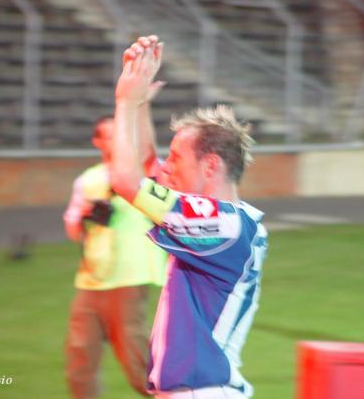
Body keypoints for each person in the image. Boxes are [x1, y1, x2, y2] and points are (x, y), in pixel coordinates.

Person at [110, 35, 268, 399]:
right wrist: (140, 104)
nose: (167, 167)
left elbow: (129, 181)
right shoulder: (228, 222)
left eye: (176, 158)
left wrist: (125, 102)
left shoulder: (222, 224)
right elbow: (149, 172)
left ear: (210, 165)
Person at [63, 114, 168, 399]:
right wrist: (84, 216)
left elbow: (165, 205)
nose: (116, 141)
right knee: (79, 359)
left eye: (119, 134)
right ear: (97, 142)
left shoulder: (143, 172)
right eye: (109, 136)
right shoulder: (88, 179)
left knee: (138, 364)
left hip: (130, 278)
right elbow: (72, 226)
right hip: (91, 279)